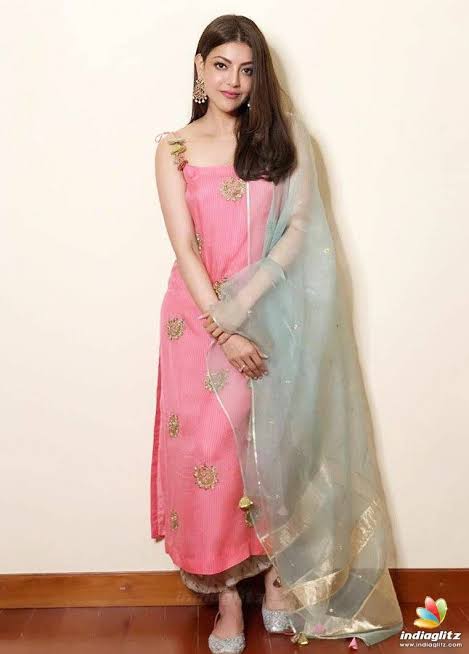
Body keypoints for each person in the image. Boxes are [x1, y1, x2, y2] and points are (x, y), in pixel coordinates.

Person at [151, 14, 403, 654]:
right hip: (198, 323)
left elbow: (298, 230)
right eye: (221, 65)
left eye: (247, 68)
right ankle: (227, 599)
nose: (233, 80)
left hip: (271, 314)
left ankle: (279, 578)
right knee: (211, 456)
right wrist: (223, 324)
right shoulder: (174, 148)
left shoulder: (283, 138)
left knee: (274, 447)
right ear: (200, 68)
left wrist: (246, 306)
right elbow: (184, 247)